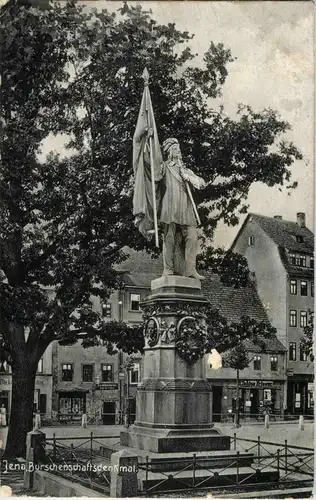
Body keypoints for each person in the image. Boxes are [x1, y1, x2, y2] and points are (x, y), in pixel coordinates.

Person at [133, 128, 206, 279]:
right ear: (169, 151)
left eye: (179, 149)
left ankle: (191, 270)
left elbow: (201, 183)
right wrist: (148, 142)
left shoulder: (185, 170)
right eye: (175, 149)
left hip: (185, 206)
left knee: (192, 237)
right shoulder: (165, 167)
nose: (178, 151)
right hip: (170, 206)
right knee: (169, 238)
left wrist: (189, 177)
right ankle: (168, 269)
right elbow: (151, 167)